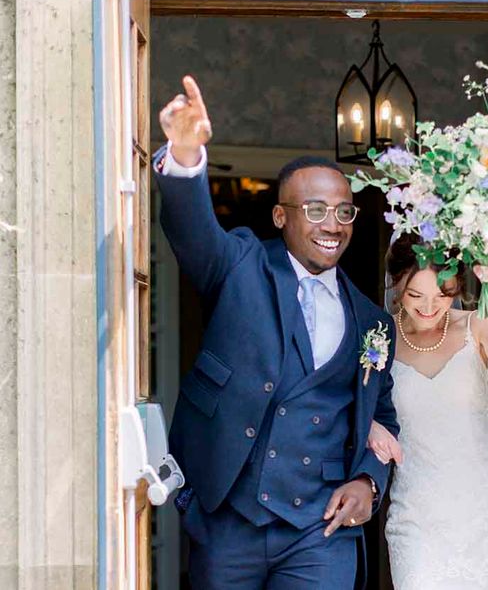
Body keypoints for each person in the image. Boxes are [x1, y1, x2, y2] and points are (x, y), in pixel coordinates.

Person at [155, 76, 399, 589]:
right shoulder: (240, 265)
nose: (332, 224)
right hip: (227, 520)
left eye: (343, 211)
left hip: (321, 528)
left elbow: (381, 415)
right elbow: (193, 233)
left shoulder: (373, 321)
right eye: (314, 210)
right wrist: (184, 155)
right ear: (281, 216)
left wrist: (368, 484)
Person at [368, 232, 488, 590]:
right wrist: (368, 427)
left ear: (456, 288)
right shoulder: (377, 341)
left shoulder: (476, 325)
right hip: (417, 518)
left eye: (442, 294)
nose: (429, 307)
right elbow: (353, 406)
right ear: (396, 286)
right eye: (415, 295)